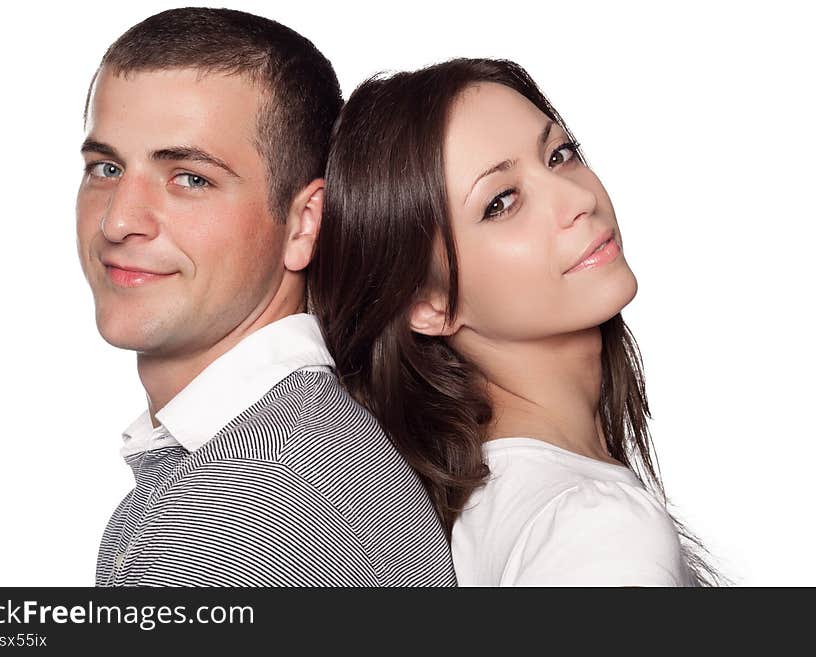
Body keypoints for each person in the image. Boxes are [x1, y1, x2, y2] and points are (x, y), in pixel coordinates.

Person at [76, 7, 455, 586]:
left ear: (305, 223)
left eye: (190, 179)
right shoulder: (327, 445)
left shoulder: (216, 517)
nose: (118, 220)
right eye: (106, 167)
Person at [310, 58, 723, 586]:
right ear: (427, 305)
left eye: (559, 154)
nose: (578, 199)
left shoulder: (491, 512)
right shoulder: (594, 527)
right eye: (501, 203)